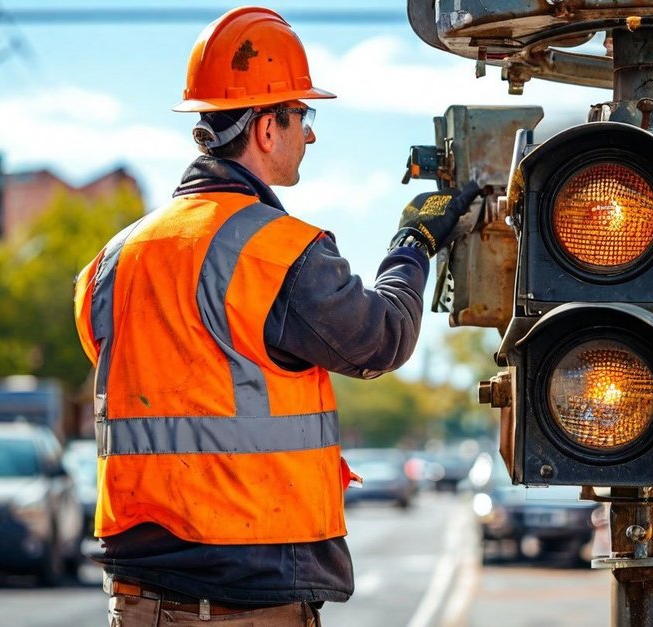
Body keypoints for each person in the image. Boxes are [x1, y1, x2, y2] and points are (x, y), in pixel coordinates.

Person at [72, 7, 480, 627]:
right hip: (246, 600)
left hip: (136, 600)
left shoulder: (111, 261)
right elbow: (383, 338)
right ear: (267, 128)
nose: (309, 136)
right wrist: (413, 243)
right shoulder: (277, 252)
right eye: (302, 116)